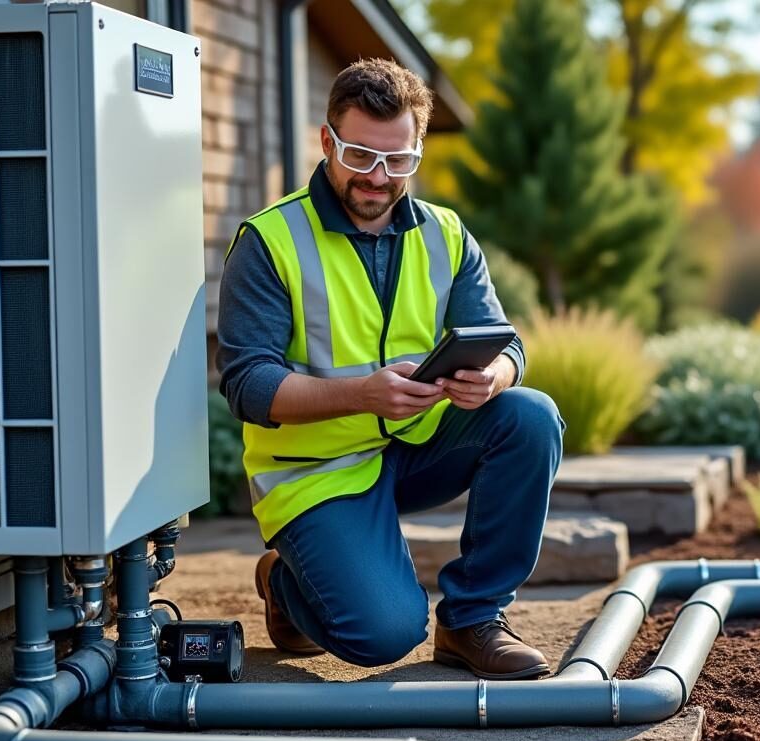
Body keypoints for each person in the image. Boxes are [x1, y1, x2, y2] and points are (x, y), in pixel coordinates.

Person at [215, 58, 563, 679]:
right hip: (315, 473)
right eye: (360, 156)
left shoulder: (446, 235)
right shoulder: (269, 241)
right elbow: (247, 385)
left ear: (417, 151)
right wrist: (361, 396)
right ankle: (286, 580)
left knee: (529, 415)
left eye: (398, 161)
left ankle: (473, 620)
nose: (378, 178)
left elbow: (508, 346)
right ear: (327, 142)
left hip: (417, 449)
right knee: (384, 634)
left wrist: (496, 378)